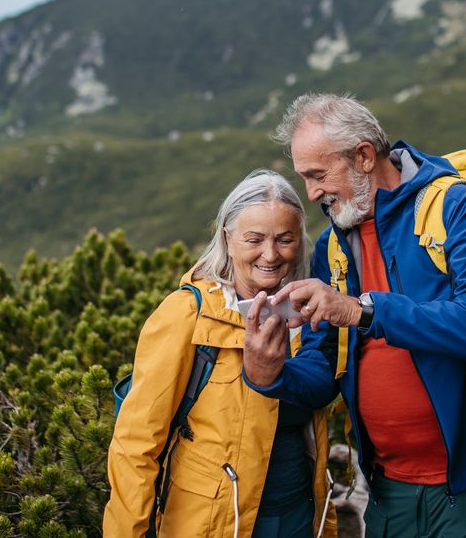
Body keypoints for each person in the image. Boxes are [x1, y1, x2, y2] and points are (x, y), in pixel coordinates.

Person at [242, 94, 466, 537]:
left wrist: (361, 310)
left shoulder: (456, 208)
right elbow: (322, 370)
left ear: (365, 156)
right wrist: (270, 374)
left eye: (318, 175)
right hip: (390, 490)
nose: (312, 193)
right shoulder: (333, 247)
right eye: (304, 178)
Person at [104, 169, 336, 538]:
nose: (271, 254)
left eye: (285, 239)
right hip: (211, 525)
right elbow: (136, 445)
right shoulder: (187, 315)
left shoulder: (310, 317)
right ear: (228, 239)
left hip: (298, 519)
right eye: (254, 239)